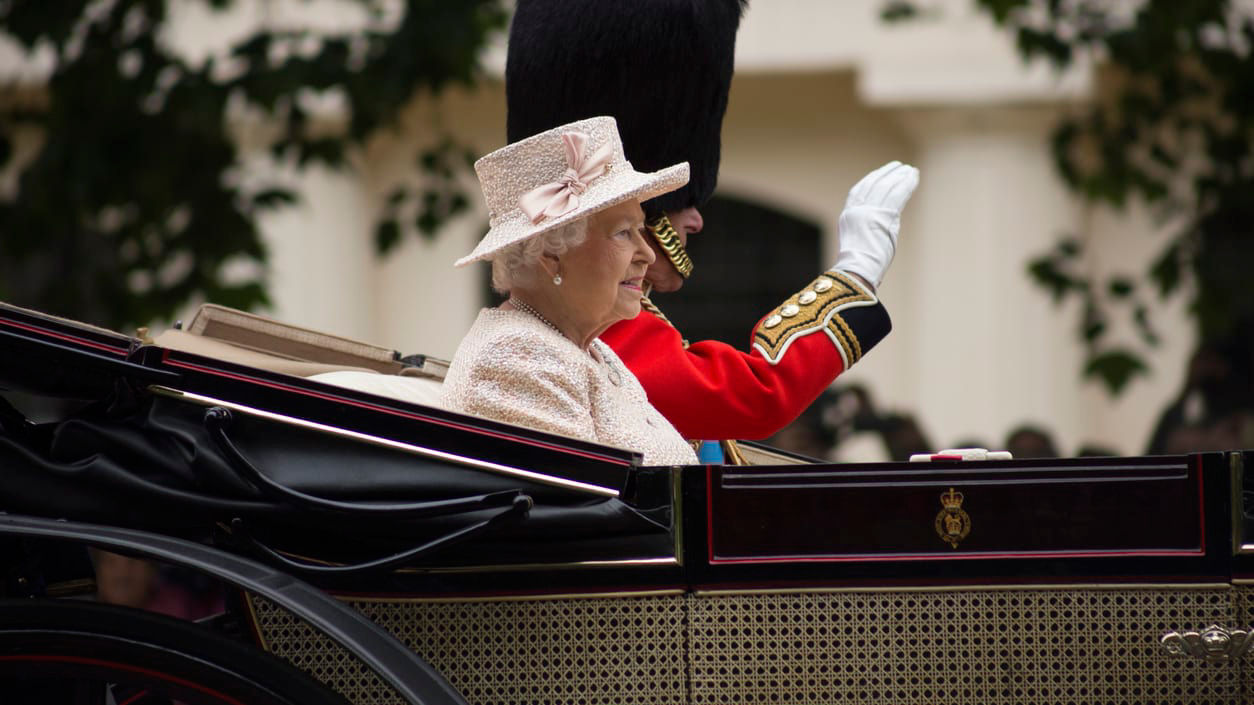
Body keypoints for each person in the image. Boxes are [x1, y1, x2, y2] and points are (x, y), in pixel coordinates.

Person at [506, 0, 918, 454]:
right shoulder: (594, 329)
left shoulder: (605, 322)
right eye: (625, 228)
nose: (697, 219)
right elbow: (755, 394)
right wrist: (854, 276)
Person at [441, 117, 698, 466]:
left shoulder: (590, 350)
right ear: (551, 255)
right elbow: (591, 499)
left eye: (641, 230)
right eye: (624, 233)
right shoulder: (520, 358)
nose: (648, 255)